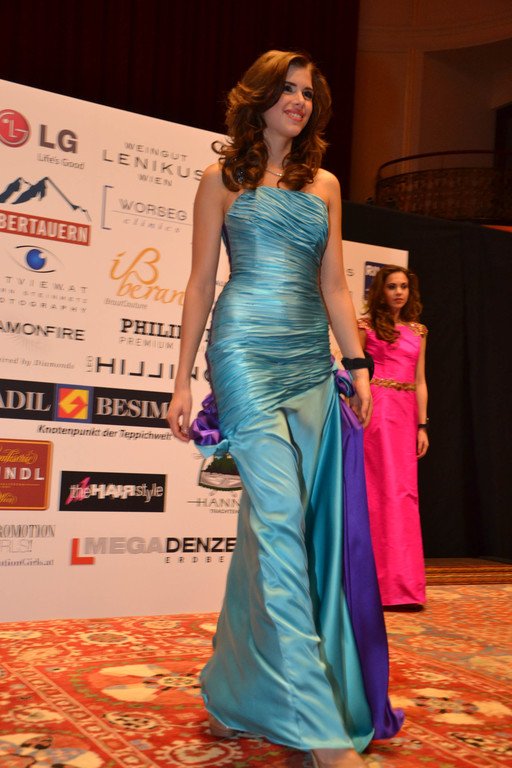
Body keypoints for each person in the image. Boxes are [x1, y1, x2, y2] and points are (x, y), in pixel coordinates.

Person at [167, 50, 403, 768]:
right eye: (288, 90)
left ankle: (237, 689)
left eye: (308, 92)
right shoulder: (220, 179)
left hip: (308, 361)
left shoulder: (325, 184)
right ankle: (321, 731)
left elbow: (335, 284)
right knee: (277, 523)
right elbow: (201, 281)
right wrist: (182, 378)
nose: (299, 101)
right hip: (243, 352)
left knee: (281, 529)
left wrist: (357, 364)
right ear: (260, 97)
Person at [358, 266, 429, 609]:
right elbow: (353, 371)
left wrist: (422, 425)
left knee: (404, 494)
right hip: (377, 410)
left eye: (403, 286)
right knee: (378, 491)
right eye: (391, 286)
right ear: (380, 291)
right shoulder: (365, 326)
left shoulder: (418, 331)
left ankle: (403, 585)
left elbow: (420, 380)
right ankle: (374, 585)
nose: (398, 292)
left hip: (405, 414)